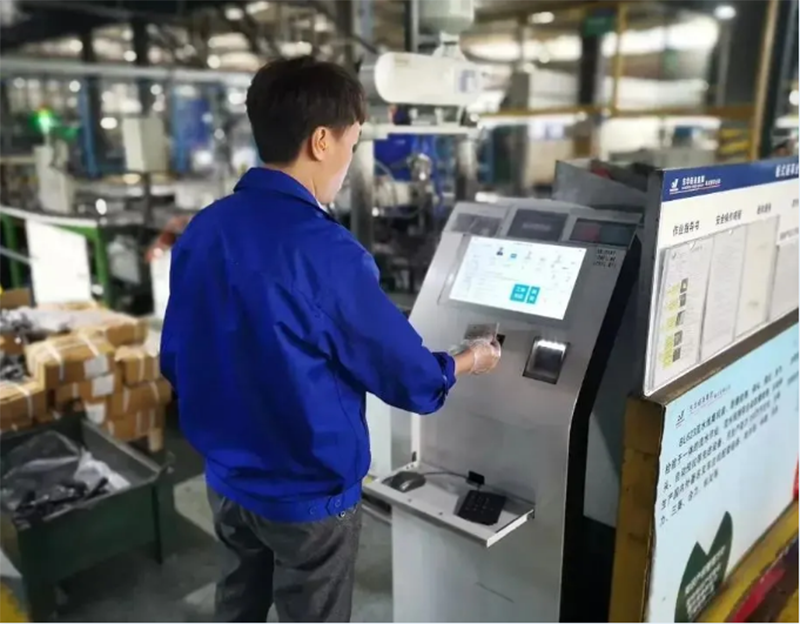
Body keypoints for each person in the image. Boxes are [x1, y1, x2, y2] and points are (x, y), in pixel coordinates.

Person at [160, 56, 502, 623]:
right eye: (352, 143)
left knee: (237, 603)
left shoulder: (206, 228)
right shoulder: (328, 254)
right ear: (322, 141)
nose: (349, 160)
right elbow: (409, 377)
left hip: (227, 478)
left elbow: (176, 357)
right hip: (308, 497)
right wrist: (469, 359)